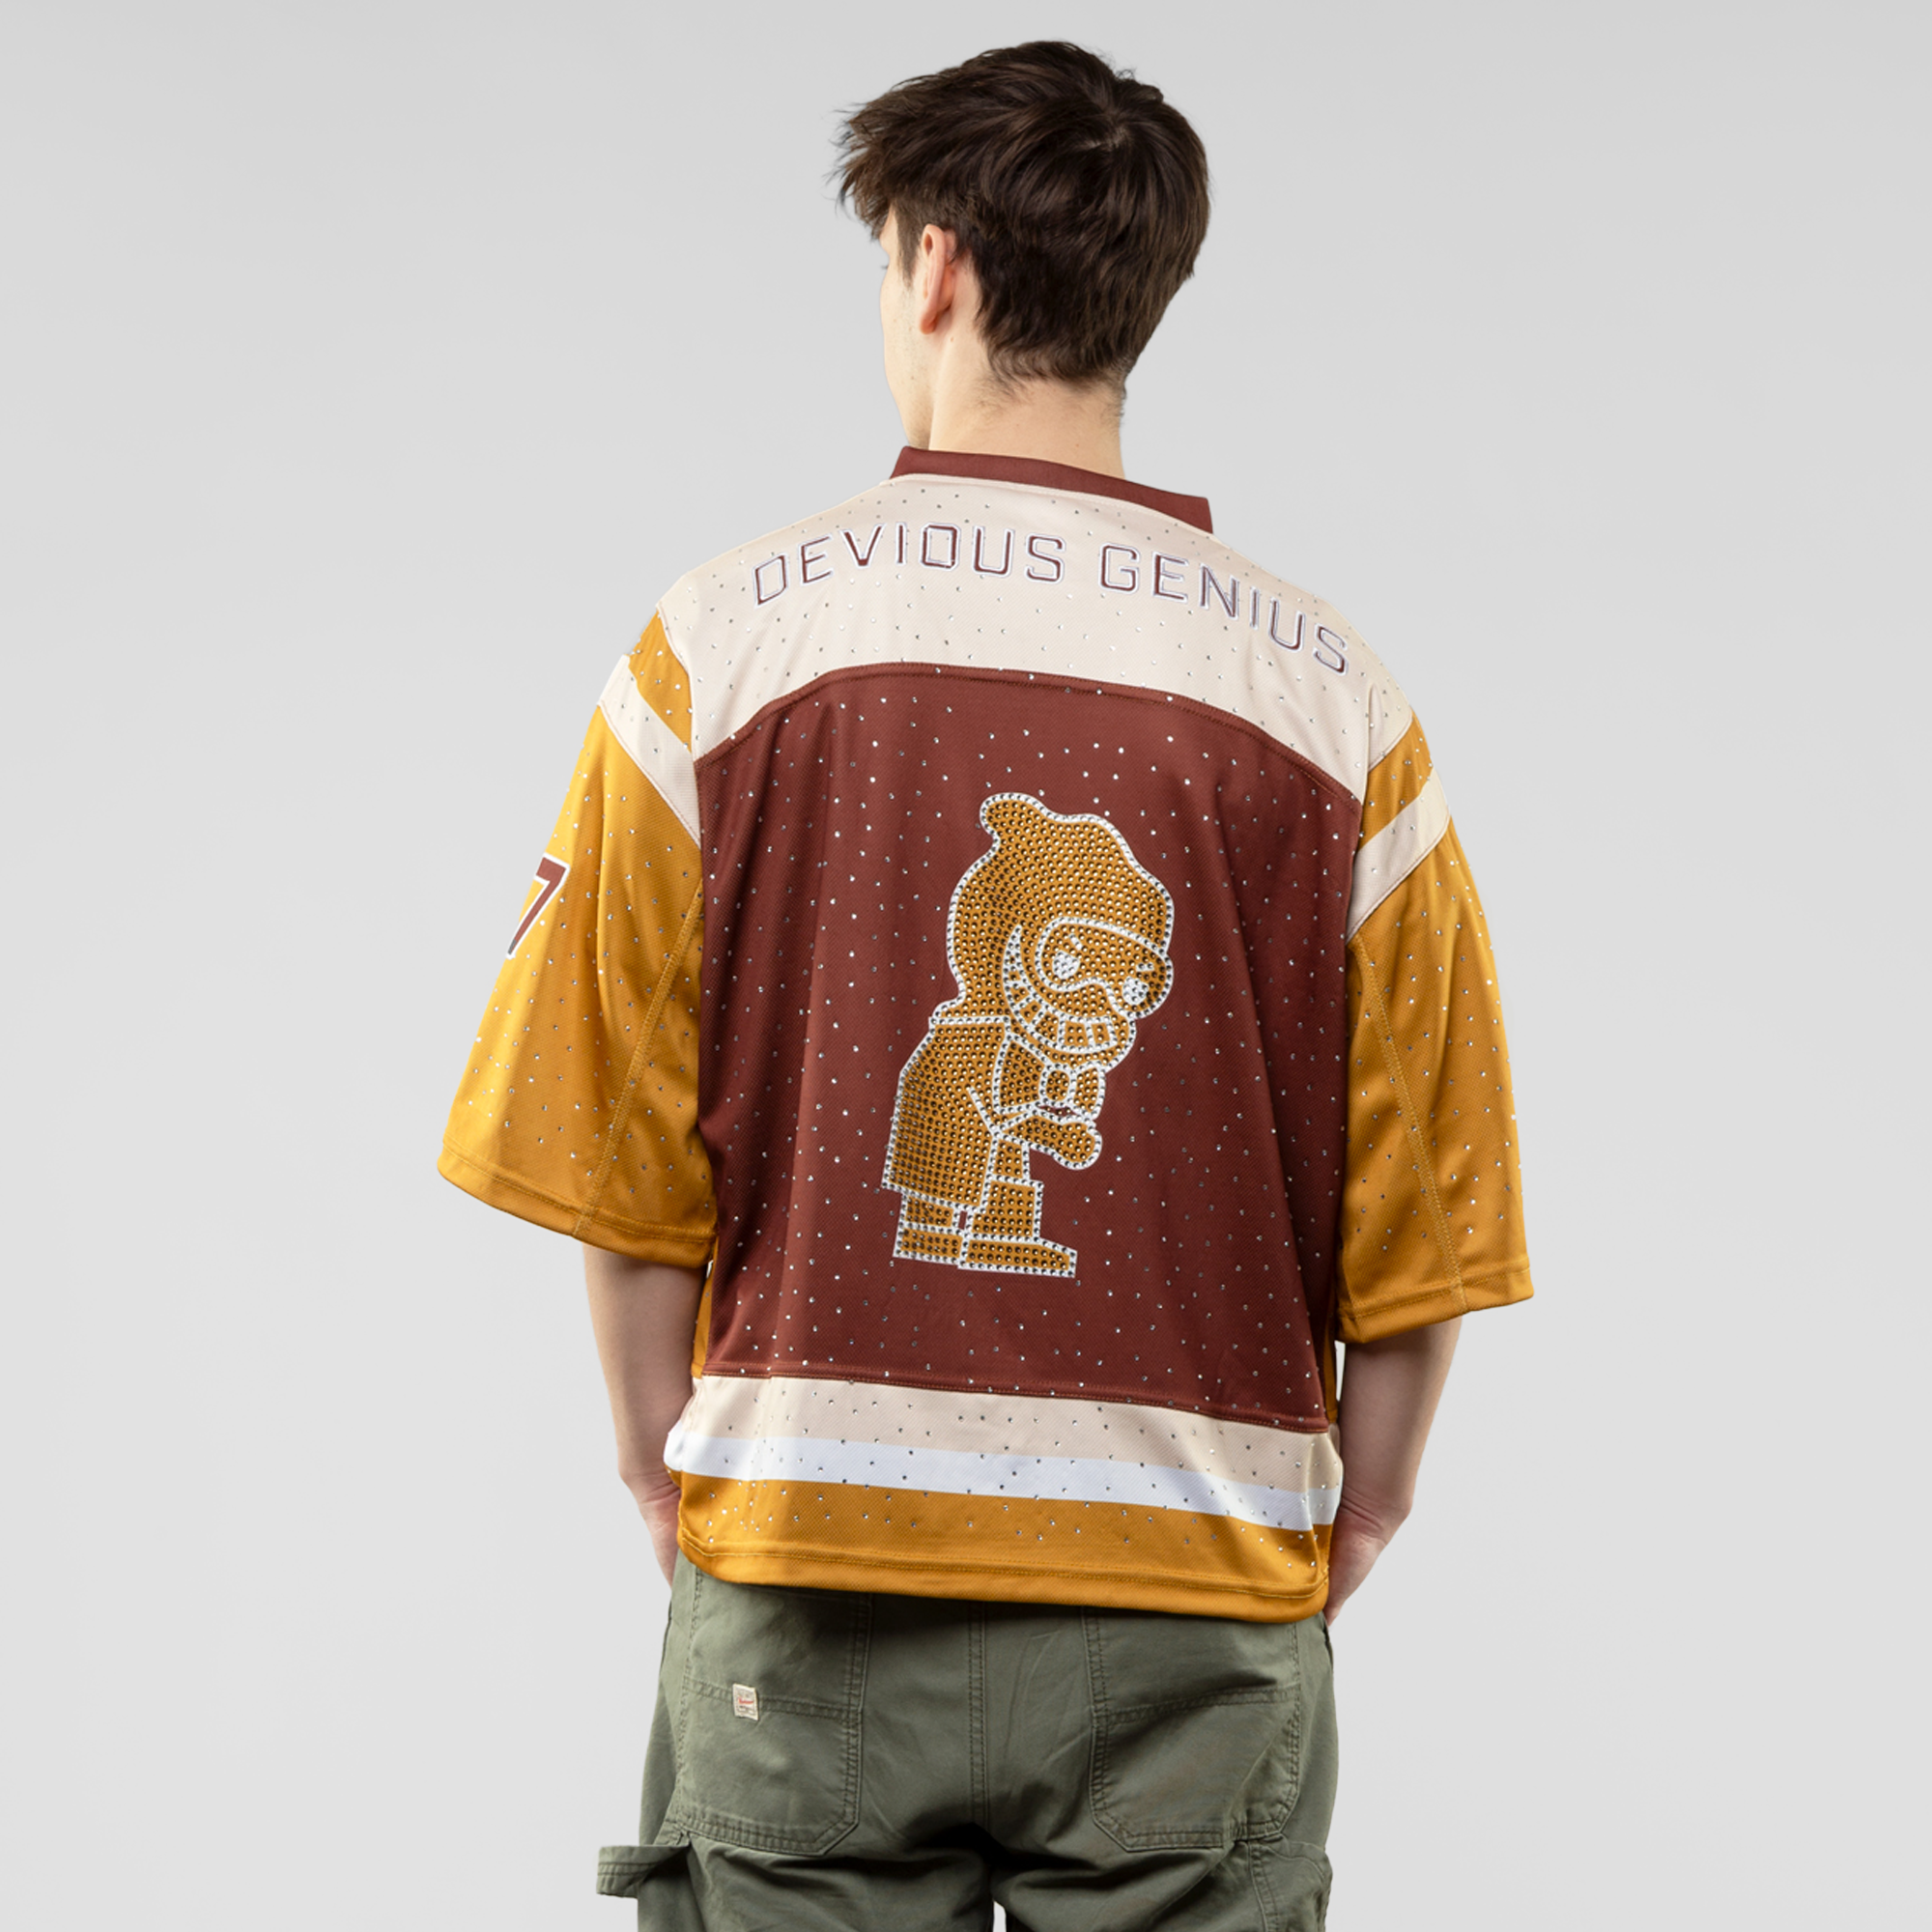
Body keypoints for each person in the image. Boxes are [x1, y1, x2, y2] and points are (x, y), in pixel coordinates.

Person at [439, 40, 1532, 1930]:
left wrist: (662, 1467)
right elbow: (1425, 1201)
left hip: (809, 1573)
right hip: (1196, 1599)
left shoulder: (722, 646)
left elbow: (612, 1142)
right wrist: (1356, 1509)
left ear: (933, 265)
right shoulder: (1331, 701)